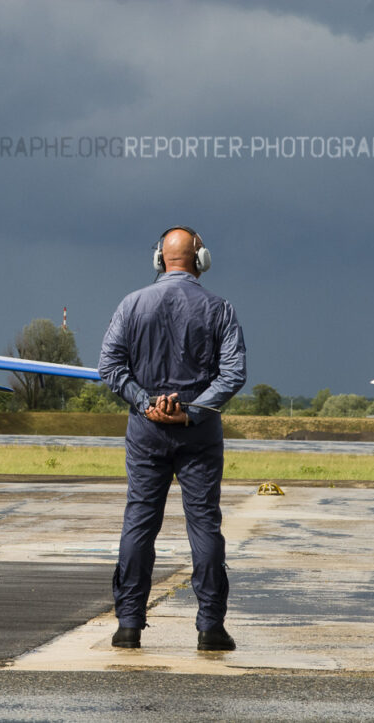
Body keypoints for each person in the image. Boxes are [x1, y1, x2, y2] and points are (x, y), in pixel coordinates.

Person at [98, 226, 246, 651]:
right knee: (204, 526)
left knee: (139, 523)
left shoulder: (131, 305)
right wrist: (192, 410)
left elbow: (110, 366)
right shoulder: (220, 309)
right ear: (201, 259)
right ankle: (210, 628)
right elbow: (233, 373)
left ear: (159, 259)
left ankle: (128, 624)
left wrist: (146, 403)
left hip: (146, 433)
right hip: (198, 433)